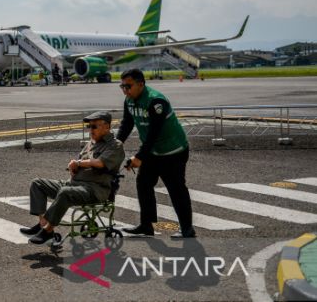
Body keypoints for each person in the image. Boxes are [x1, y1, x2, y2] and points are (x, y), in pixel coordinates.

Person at [22, 111, 125, 244]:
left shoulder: (115, 145)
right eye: (89, 126)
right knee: (37, 183)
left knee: (65, 193)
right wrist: (73, 168)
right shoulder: (91, 143)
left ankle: (48, 231)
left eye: (94, 126)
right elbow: (78, 162)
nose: (90, 130)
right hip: (74, 184)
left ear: (107, 127)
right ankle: (43, 223)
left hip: (94, 189)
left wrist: (78, 163)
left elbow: (100, 163)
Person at [116, 68, 195, 239]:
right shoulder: (129, 100)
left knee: (176, 189)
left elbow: (154, 133)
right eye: (122, 86)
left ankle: (187, 229)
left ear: (141, 84)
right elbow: (127, 124)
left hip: (173, 151)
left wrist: (138, 157)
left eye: (128, 86)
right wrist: (116, 144)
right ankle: (146, 226)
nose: (125, 90)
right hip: (153, 151)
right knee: (143, 184)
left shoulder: (155, 101)